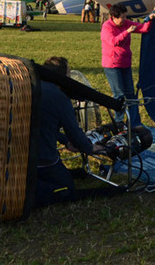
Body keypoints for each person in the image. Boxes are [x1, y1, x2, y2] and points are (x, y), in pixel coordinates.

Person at [35, 56, 106, 208]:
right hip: (43, 160)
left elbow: (44, 124)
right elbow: (74, 131)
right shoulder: (59, 97)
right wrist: (90, 147)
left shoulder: (34, 87)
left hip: (19, 159)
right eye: (68, 73)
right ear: (63, 77)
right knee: (66, 186)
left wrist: (64, 141)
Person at [100, 4, 155, 127]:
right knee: (119, 95)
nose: (124, 20)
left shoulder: (126, 24)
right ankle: (119, 122)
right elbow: (113, 41)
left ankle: (134, 123)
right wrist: (127, 32)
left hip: (125, 64)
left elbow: (143, 28)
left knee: (131, 95)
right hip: (112, 66)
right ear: (113, 17)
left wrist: (150, 19)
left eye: (125, 17)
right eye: (121, 17)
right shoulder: (107, 27)